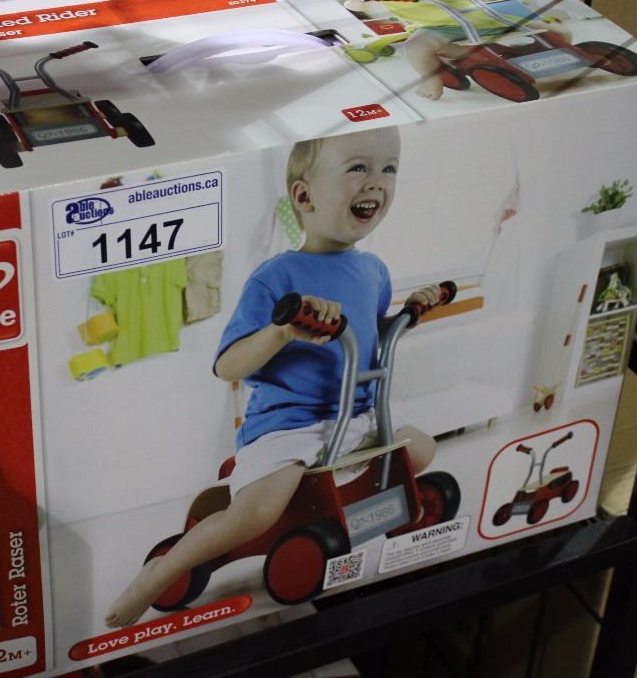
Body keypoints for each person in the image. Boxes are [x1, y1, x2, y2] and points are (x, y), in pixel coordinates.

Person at [104, 126, 441, 628]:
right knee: (259, 512)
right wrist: (282, 332)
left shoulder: (373, 271)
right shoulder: (276, 278)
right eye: (358, 168)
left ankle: (364, 518)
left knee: (421, 449)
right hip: (289, 427)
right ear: (304, 197)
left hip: (356, 417)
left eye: (388, 168)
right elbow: (227, 366)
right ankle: (160, 571)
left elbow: (370, 333)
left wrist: (410, 313)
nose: (376, 181)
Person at [339, 0, 570, 100]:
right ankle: (431, 79)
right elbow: (355, 4)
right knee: (416, 48)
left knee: (559, 31)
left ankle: (544, 55)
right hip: (439, 27)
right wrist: (356, 1)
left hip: (483, 18)